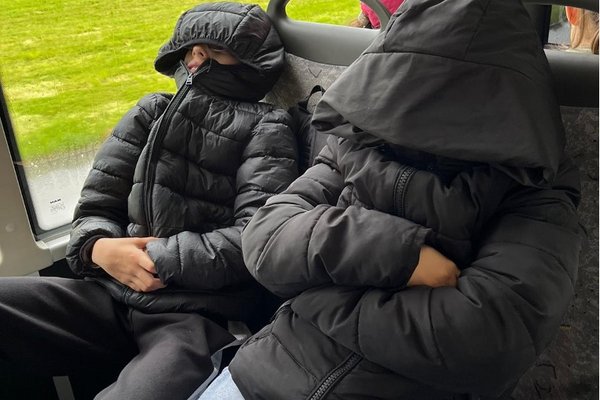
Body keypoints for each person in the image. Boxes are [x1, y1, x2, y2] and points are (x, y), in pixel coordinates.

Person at [195, 0, 582, 398]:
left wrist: (310, 293)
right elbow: (264, 239)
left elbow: (488, 338)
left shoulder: (532, 186)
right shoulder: (357, 141)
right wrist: (402, 256)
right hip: (263, 373)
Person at [0, 2, 297, 400]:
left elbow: (258, 237)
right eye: (192, 48)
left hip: (196, 315)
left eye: (215, 50)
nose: (198, 58)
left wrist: (156, 258)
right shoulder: (149, 112)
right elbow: (96, 206)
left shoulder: (267, 127)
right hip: (111, 294)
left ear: (250, 64)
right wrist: (97, 248)